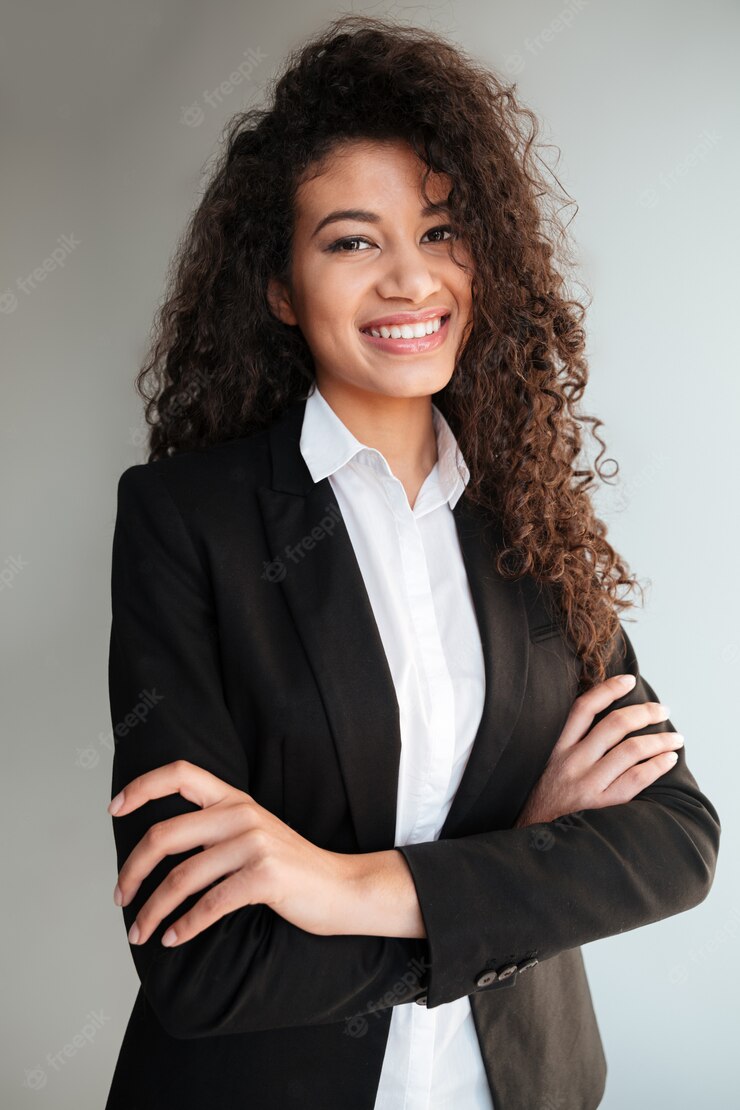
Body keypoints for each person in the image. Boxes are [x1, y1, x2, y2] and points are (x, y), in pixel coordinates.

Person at [103, 15, 720, 1110]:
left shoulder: (526, 512)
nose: (409, 281)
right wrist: (521, 866)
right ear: (282, 287)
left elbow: (674, 841)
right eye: (351, 240)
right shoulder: (186, 522)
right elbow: (200, 961)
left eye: (440, 233)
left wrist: (343, 885)